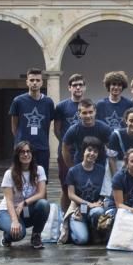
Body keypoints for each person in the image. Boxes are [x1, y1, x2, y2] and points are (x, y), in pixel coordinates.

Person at [0, 141, 50, 249]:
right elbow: (9, 201)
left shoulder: (39, 170)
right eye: (22, 152)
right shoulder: (9, 174)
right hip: (6, 211)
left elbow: (41, 194)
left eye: (28, 151)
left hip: (25, 210)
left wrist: (23, 203)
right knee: (19, 234)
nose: (26, 155)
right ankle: (7, 237)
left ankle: (36, 235)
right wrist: (15, 221)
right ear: (17, 155)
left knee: (44, 204)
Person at [9, 67, 55, 179]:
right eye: (32, 80)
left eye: (38, 80)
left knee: (42, 180)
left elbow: (47, 124)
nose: (35, 83)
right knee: (20, 178)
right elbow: (14, 126)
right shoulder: (18, 101)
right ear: (27, 82)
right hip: (23, 148)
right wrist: (21, 141)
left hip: (42, 147)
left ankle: (42, 198)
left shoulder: (48, 102)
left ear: (42, 82)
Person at [66, 137, 110, 245]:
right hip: (78, 210)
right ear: (83, 151)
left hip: (95, 209)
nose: (92, 153)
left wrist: (100, 202)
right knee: (82, 240)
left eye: (95, 151)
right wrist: (89, 204)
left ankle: (94, 229)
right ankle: (72, 229)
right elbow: (71, 195)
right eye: (89, 150)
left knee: (98, 212)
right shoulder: (73, 171)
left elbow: (105, 192)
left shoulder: (102, 170)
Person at [54, 73, 85, 211]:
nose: (78, 88)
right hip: (66, 152)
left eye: (80, 85)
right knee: (66, 186)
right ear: (69, 88)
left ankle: (80, 213)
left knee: (83, 184)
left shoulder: (88, 105)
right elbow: (57, 129)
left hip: (84, 151)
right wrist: (66, 143)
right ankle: (64, 215)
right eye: (74, 85)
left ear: (84, 87)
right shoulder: (61, 106)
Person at [62, 99, 111, 168]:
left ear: (95, 112)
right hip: (79, 164)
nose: (88, 116)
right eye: (84, 113)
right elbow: (65, 148)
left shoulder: (104, 128)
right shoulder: (73, 130)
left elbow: (112, 148)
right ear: (79, 114)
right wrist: (71, 167)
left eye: (90, 112)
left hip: (100, 164)